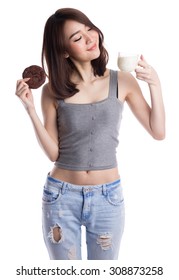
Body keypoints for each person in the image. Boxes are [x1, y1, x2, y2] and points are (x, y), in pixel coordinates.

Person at [15, 8, 165, 260]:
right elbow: (54, 153)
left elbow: (157, 132)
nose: (89, 38)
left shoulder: (123, 81)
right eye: (77, 38)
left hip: (108, 198)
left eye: (89, 28)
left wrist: (155, 84)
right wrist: (30, 110)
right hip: (61, 197)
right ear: (63, 51)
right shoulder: (52, 90)